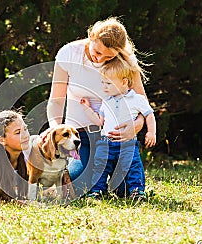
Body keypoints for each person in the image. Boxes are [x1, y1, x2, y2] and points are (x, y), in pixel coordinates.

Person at [47, 17, 148, 195]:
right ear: (91, 37)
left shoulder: (126, 60)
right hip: (80, 138)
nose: (100, 59)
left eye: (109, 57)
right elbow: (56, 100)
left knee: (125, 189)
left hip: (115, 139)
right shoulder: (69, 53)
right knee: (78, 187)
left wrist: (137, 125)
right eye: (98, 52)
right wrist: (55, 128)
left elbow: (141, 102)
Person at [80, 57, 156, 200]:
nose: (104, 87)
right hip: (105, 143)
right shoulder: (106, 101)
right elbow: (99, 121)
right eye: (103, 83)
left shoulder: (136, 99)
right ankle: (97, 191)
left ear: (124, 82)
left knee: (133, 166)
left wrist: (151, 132)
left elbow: (149, 115)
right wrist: (87, 108)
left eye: (108, 83)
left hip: (127, 143)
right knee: (100, 167)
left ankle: (137, 191)